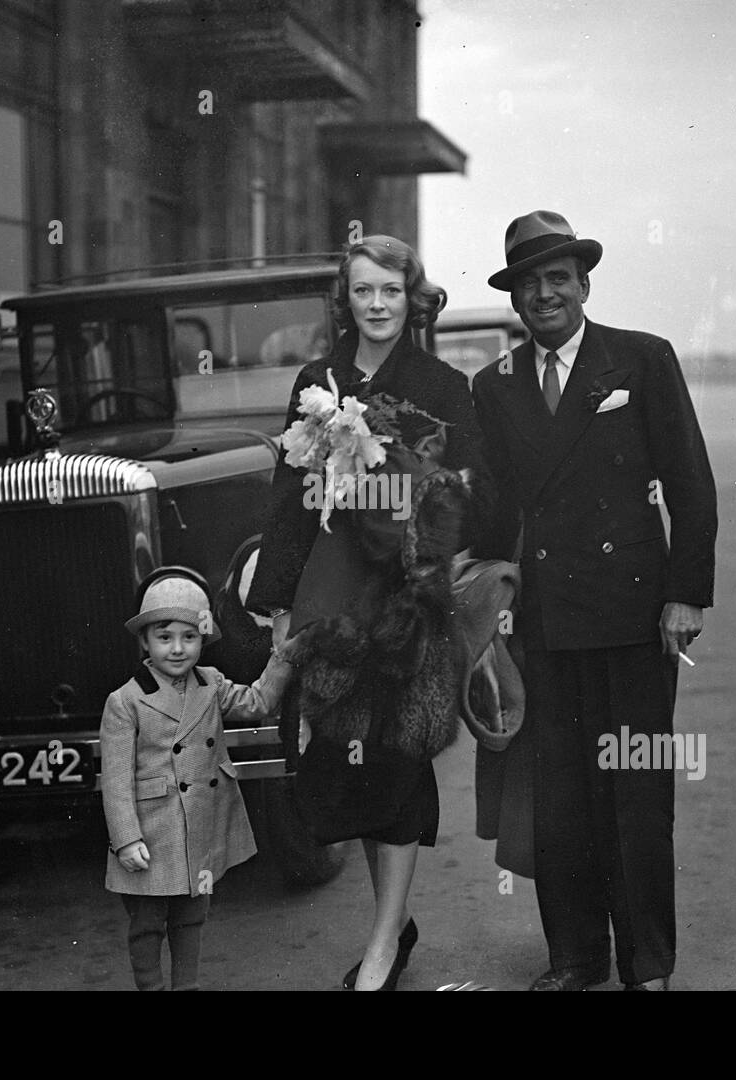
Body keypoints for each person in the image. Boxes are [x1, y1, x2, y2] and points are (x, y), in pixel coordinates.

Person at [472, 210, 718, 991]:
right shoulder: (494, 384)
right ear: (514, 299)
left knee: (637, 796)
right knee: (561, 800)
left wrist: (686, 595)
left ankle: (647, 963)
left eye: (557, 280)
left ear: (583, 285)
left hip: (635, 617)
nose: (544, 296)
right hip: (542, 623)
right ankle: (576, 958)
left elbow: (691, 484)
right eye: (528, 284)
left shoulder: (641, 361)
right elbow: (492, 508)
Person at [247, 235, 489, 991]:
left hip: (409, 606)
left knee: (400, 761)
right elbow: (290, 500)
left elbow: (460, 498)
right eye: (363, 292)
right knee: (346, 769)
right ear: (345, 300)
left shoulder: (445, 385)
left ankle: (383, 946)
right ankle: (395, 926)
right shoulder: (318, 382)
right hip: (333, 603)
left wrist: (409, 521)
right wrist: (279, 608)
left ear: (411, 297)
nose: (377, 304)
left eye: (390, 290)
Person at [100, 567, 296, 990]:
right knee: (148, 923)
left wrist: (282, 656)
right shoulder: (125, 701)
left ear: (203, 642)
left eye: (189, 638)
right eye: (165, 637)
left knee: (192, 917)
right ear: (145, 642)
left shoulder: (211, 684)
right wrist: (126, 839)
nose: (177, 649)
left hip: (197, 827)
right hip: (152, 833)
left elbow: (257, 701)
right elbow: (115, 782)